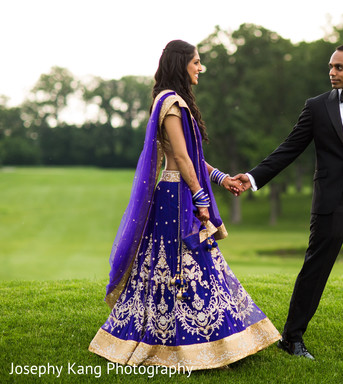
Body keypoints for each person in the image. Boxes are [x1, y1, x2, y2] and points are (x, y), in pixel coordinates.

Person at [89, 40, 280, 371]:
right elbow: (180, 156)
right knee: (181, 267)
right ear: (182, 65)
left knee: (195, 266)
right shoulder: (171, 103)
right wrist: (200, 197)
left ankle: (213, 340)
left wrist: (221, 178)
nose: (200, 68)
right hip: (176, 198)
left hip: (176, 194)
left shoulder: (168, 100)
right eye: (196, 62)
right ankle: (185, 344)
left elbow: (194, 157)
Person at [235, 43, 343, 359]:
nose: (332, 73)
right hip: (330, 203)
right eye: (330, 67)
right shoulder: (317, 107)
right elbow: (290, 148)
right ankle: (292, 339)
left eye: (339, 67)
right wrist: (254, 177)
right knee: (315, 271)